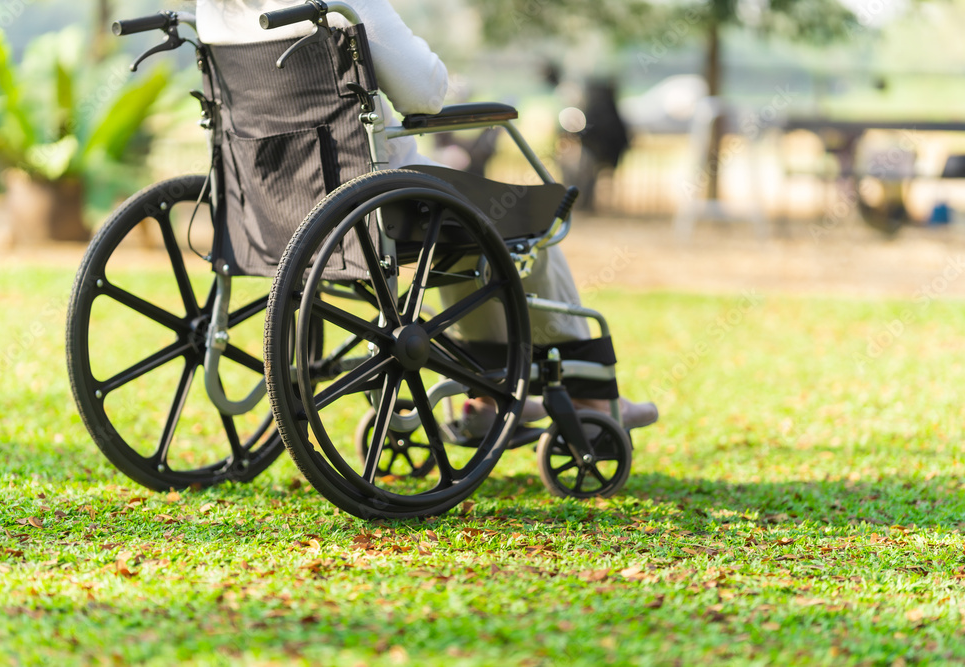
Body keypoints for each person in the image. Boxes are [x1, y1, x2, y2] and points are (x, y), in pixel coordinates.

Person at [195, 0, 658, 433]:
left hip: (276, 207)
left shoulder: (213, 10)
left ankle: (486, 392)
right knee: (524, 221)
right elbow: (426, 93)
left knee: (457, 231)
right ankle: (591, 397)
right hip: (380, 195)